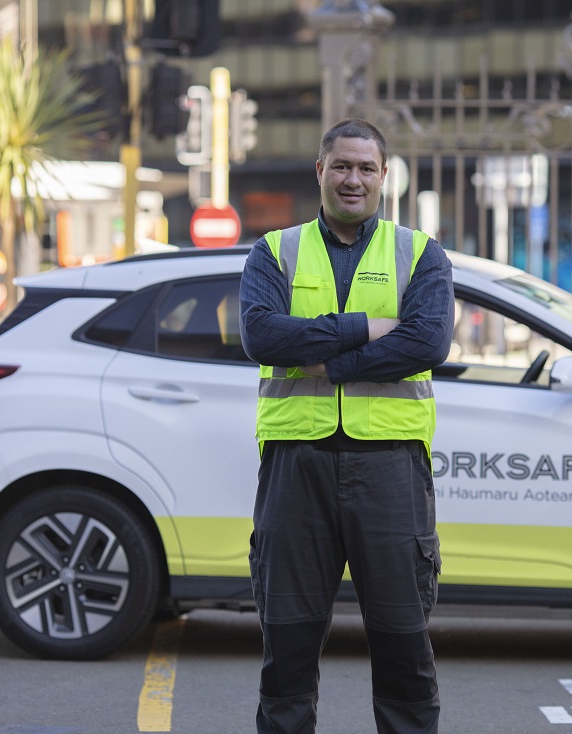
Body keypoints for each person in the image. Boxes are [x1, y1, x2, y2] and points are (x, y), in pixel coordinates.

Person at [239, 118, 454, 734]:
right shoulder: (274, 250)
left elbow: (426, 342)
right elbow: (262, 335)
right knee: (286, 656)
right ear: (320, 172)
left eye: (366, 168)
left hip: (388, 467)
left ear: (385, 177)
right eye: (342, 166)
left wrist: (323, 360)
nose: (353, 178)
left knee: (404, 654)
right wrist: (365, 327)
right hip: (294, 466)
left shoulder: (420, 253)